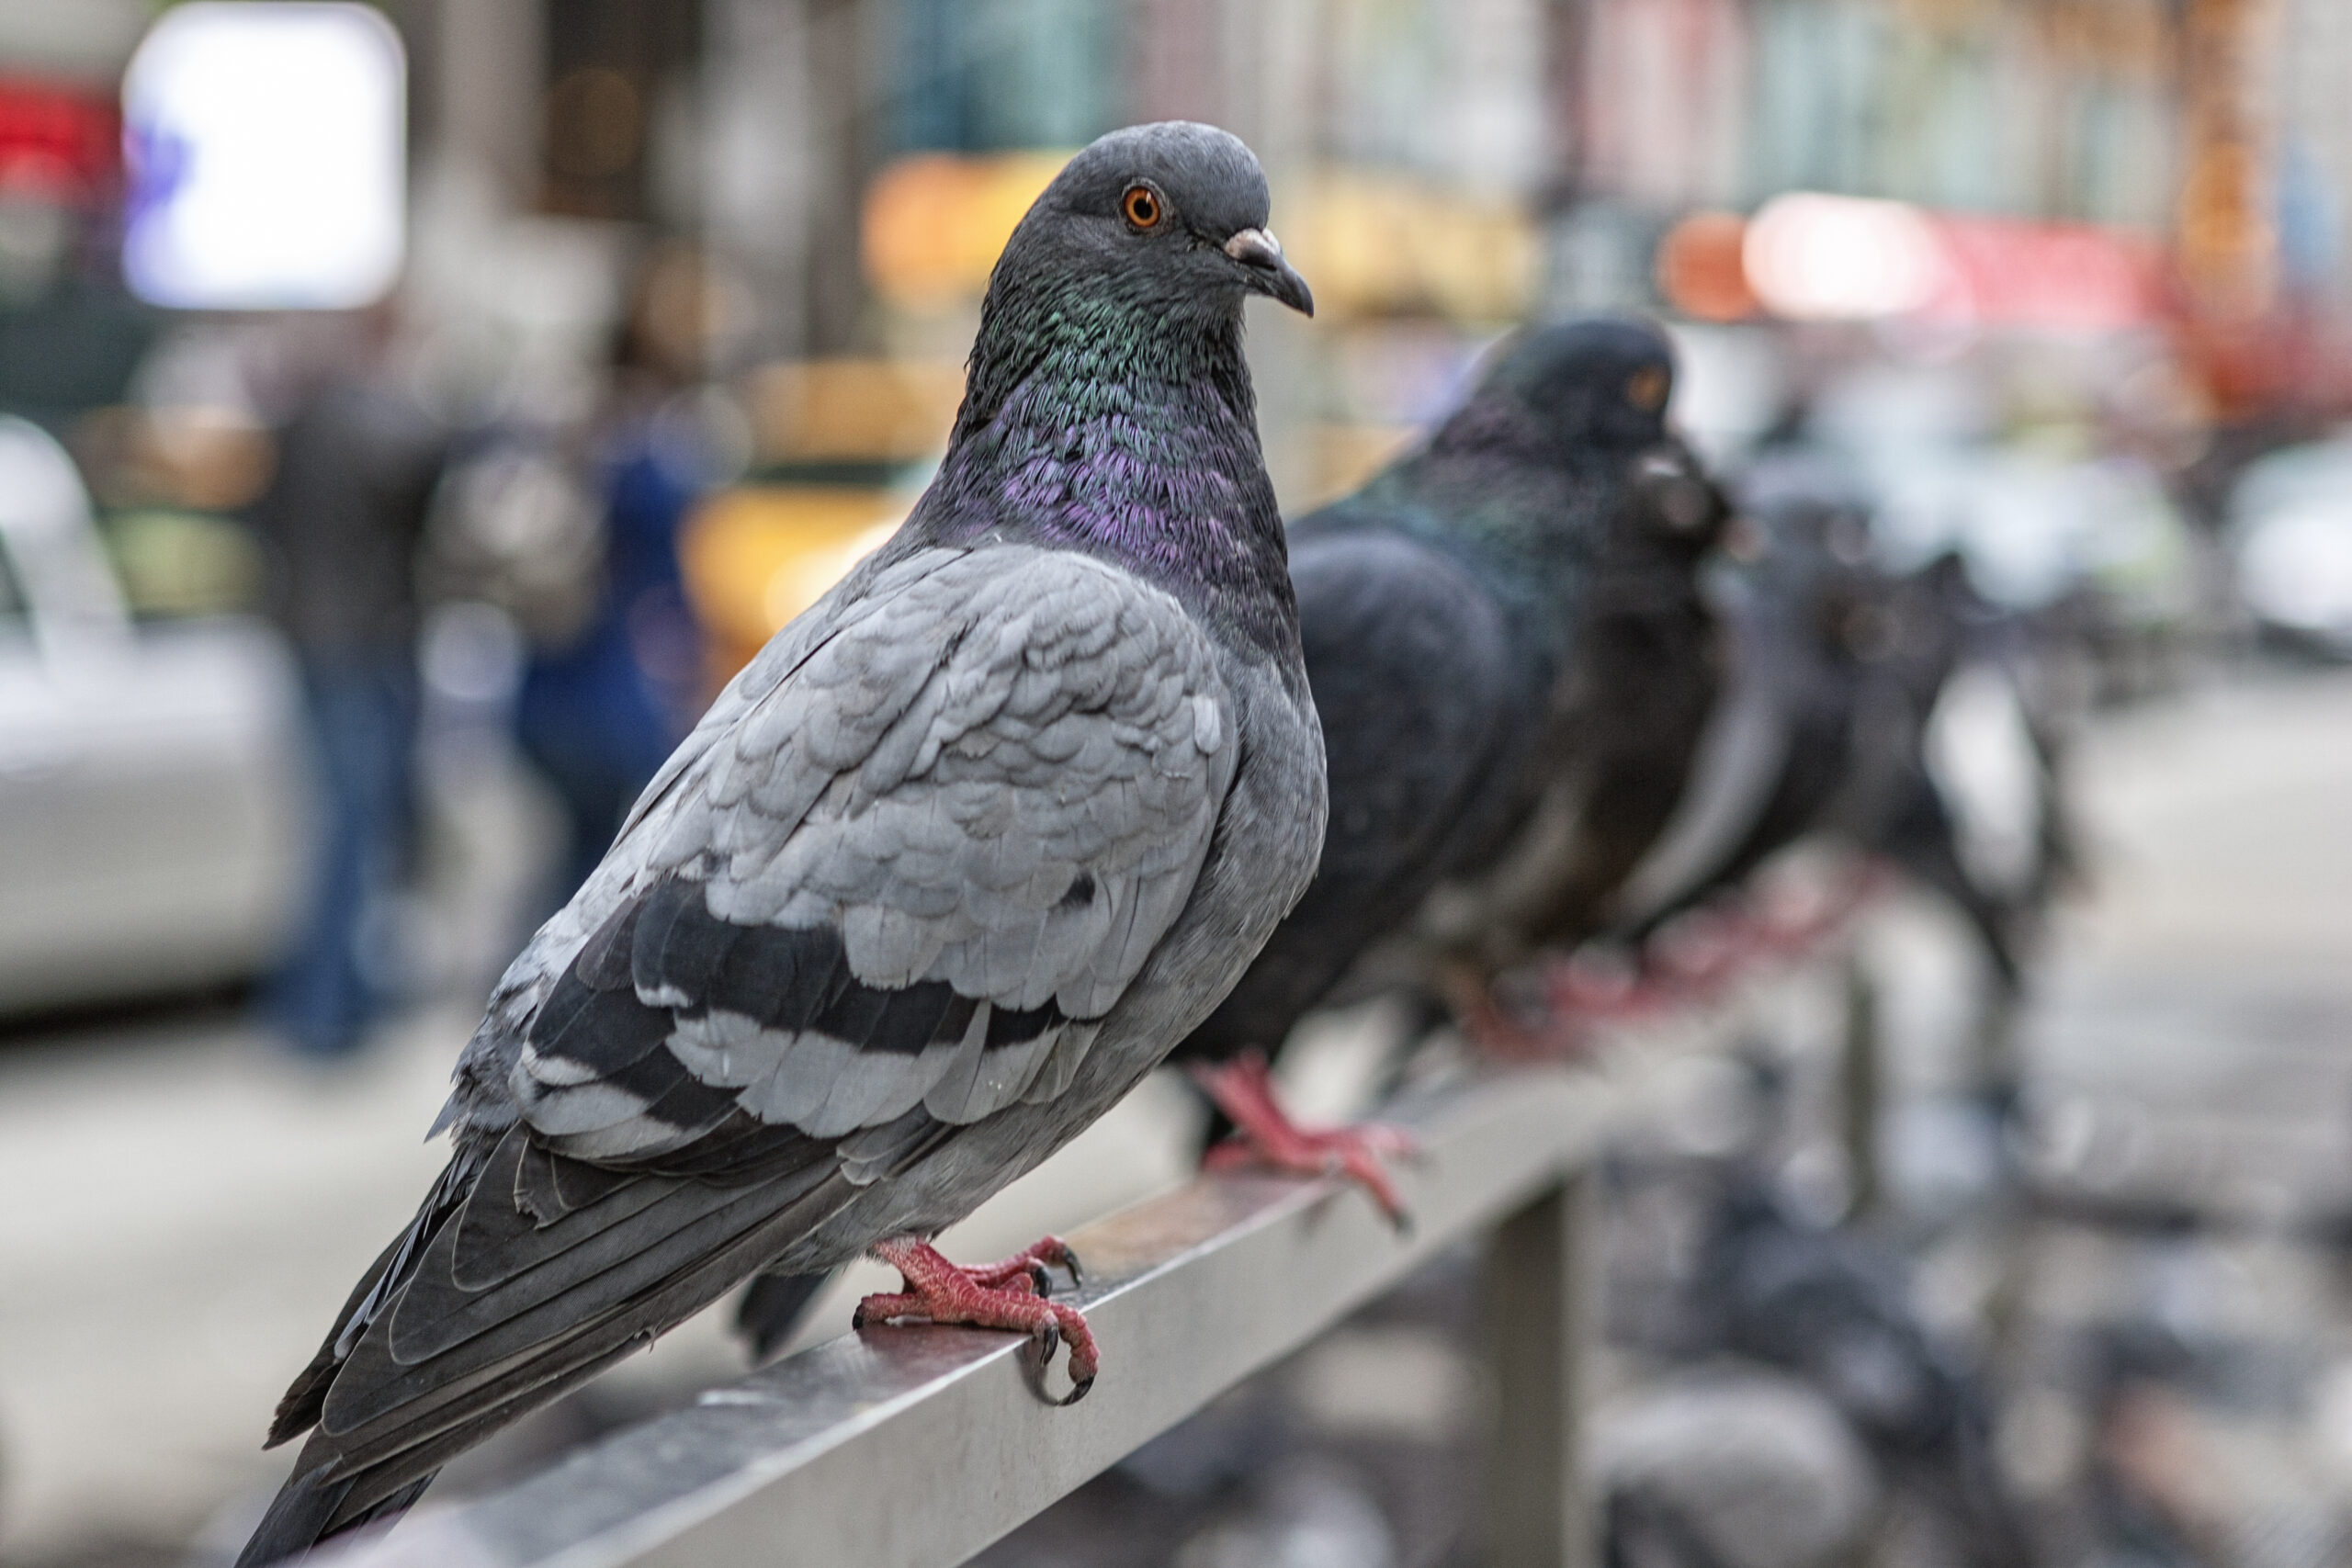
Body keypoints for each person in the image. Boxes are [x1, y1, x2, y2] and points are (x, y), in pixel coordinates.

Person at [247, 337, 448, 1058]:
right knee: (353, 830)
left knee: (341, 826)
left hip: (314, 638)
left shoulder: (295, 427)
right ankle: (326, 1013)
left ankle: (339, 999)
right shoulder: (366, 426)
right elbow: (422, 467)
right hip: (355, 645)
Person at [512, 243, 714, 908]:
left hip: (554, 676)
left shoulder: (582, 424)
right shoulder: (653, 438)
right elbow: (666, 567)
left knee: (578, 851)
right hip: (610, 684)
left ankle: (525, 984)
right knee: (602, 861)